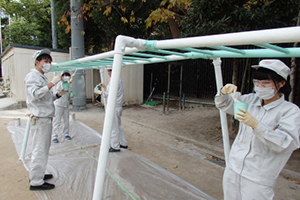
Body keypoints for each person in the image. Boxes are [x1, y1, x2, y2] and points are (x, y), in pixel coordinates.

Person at [215, 59, 300, 200]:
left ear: (281, 83)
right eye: (257, 82)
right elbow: (223, 104)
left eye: (266, 83)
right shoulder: (250, 100)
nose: (260, 86)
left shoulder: (290, 111)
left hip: (258, 177)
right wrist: (223, 92)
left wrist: (256, 125)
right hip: (234, 168)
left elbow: (285, 143)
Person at [24, 49, 66, 190]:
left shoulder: (41, 77)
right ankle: (36, 181)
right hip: (41, 118)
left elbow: (46, 98)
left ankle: (38, 174)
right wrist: (52, 84)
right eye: (45, 61)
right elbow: (36, 94)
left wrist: (59, 94)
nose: (48, 64)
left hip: (45, 117)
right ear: (37, 62)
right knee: (40, 150)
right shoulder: (32, 76)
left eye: (49, 61)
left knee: (43, 148)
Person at [94, 69, 128, 152]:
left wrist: (99, 92)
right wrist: (105, 87)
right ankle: (123, 143)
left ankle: (115, 146)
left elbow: (107, 94)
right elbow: (113, 91)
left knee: (114, 127)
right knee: (119, 125)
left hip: (114, 107)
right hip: (118, 106)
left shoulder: (114, 81)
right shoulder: (119, 80)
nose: (108, 73)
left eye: (110, 71)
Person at [52, 70, 75, 143]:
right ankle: (54, 136)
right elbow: (62, 89)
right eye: (65, 76)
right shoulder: (59, 83)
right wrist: (68, 84)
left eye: (68, 76)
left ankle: (66, 134)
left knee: (66, 121)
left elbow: (69, 92)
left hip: (66, 104)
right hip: (58, 104)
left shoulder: (68, 84)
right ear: (61, 77)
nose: (66, 77)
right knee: (57, 121)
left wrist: (71, 94)